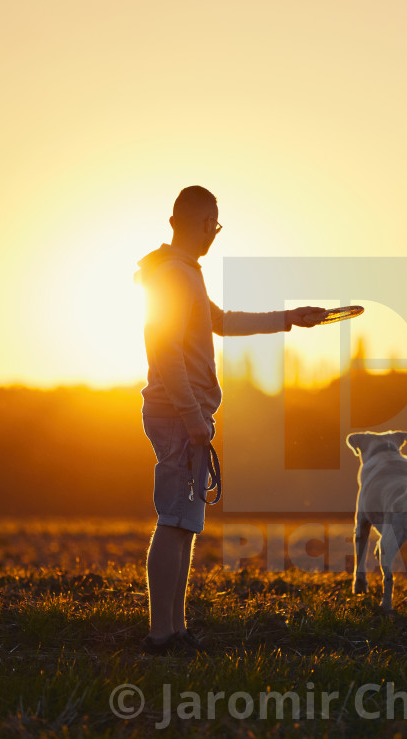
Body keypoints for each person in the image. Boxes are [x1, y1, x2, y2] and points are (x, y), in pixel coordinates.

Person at [134, 185, 324, 655]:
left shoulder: (182, 274)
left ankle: (176, 630)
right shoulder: (174, 277)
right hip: (181, 414)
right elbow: (167, 354)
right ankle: (161, 636)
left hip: (188, 414)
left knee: (185, 523)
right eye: (212, 226)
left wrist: (287, 318)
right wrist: (193, 416)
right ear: (194, 223)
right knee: (173, 520)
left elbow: (219, 321)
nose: (214, 235)